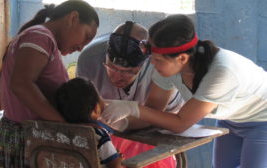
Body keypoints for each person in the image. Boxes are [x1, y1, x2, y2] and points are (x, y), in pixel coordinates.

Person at [101, 14, 267, 168]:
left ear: (182, 58)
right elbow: (153, 111)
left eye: (157, 59)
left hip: (262, 120)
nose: (152, 64)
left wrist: (131, 108)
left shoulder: (221, 72)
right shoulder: (168, 67)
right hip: (231, 119)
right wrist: (122, 123)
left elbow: (181, 123)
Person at [0, 1, 99, 167]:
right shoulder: (40, 37)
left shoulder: (44, 39)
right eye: (86, 37)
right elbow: (21, 84)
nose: (81, 47)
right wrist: (66, 127)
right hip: (26, 140)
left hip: (28, 138)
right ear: (73, 18)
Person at [77, 21, 183, 167]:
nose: (117, 77)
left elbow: (155, 114)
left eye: (129, 72)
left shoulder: (160, 65)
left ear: (145, 63)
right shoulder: (89, 58)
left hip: (163, 116)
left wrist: (123, 123)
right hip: (112, 122)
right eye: (111, 68)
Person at [55, 77, 123, 168]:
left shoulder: (61, 131)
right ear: (96, 108)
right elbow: (114, 165)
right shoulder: (99, 134)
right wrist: (118, 160)